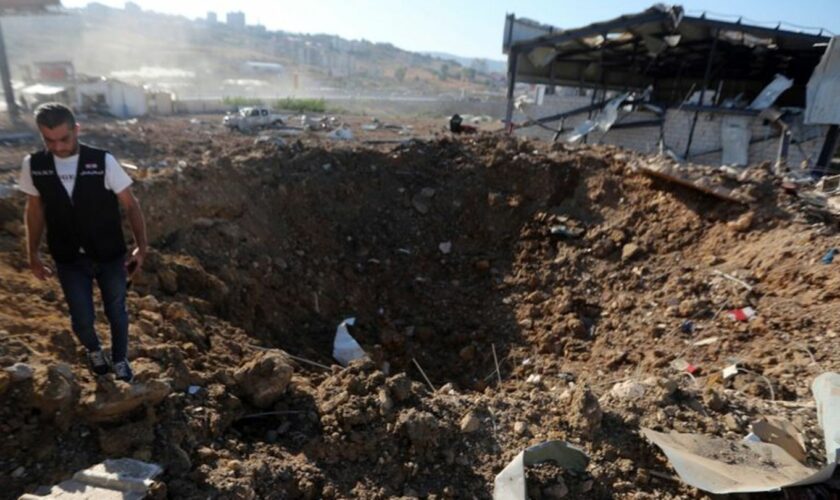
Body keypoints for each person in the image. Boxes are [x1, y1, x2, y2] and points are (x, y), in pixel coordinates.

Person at [18, 102, 147, 382]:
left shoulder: (102, 161)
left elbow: (131, 204)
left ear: (76, 129)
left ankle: (120, 359)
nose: (58, 147)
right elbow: (35, 210)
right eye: (49, 140)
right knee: (81, 319)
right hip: (69, 258)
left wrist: (141, 246)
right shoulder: (35, 165)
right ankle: (94, 351)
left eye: (64, 138)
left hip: (109, 253)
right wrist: (33, 254)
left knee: (116, 310)